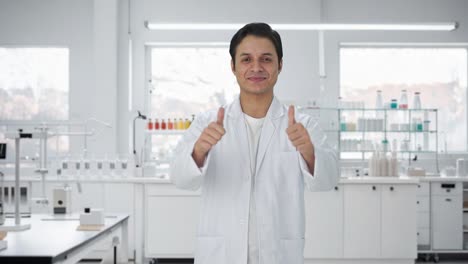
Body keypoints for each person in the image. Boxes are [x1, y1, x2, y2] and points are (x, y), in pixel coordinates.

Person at [170, 22, 339, 264]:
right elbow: (179, 178)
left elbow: (329, 180)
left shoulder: (303, 125)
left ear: (280, 65)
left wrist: (309, 153)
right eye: (246, 59)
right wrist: (198, 152)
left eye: (266, 59)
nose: (256, 67)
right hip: (221, 253)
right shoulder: (207, 123)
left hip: (278, 253)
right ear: (233, 66)